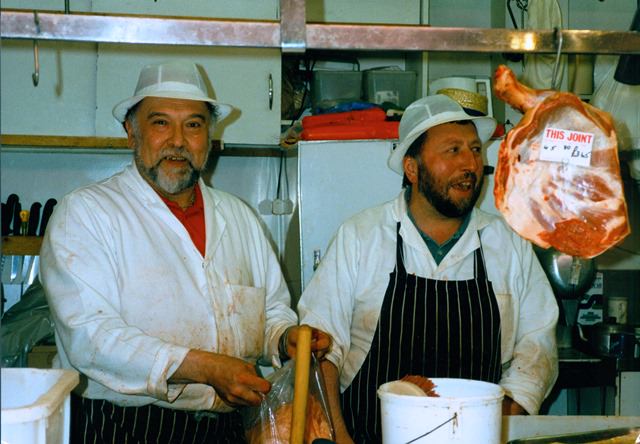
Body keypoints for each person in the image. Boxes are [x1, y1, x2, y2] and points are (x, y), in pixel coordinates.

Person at [40, 60, 330, 443]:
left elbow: (271, 310)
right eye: (160, 122)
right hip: (123, 428)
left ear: (209, 136)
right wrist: (203, 367)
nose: (178, 140)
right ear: (131, 132)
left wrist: (284, 338)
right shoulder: (87, 214)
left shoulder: (238, 217)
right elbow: (90, 337)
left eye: (193, 124)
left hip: (228, 428)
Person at [297, 94, 559, 443]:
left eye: (475, 150)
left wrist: (502, 422)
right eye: (453, 150)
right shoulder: (361, 237)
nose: (470, 164)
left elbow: (536, 345)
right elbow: (320, 347)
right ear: (412, 168)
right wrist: (339, 437)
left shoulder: (508, 245)